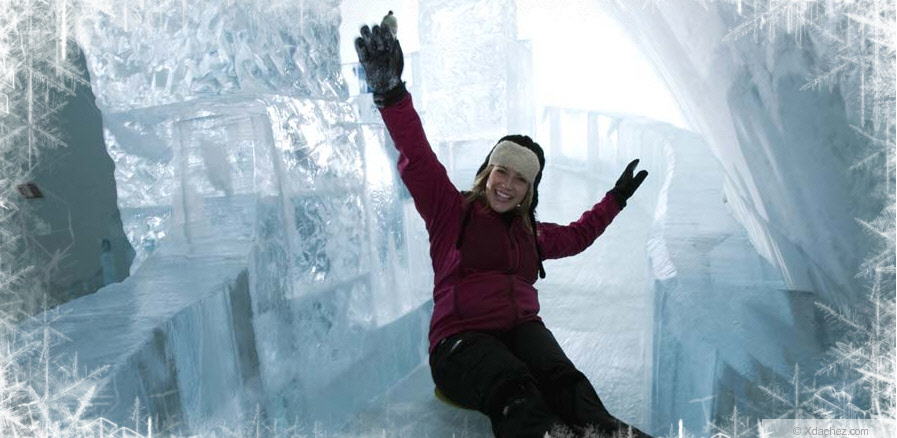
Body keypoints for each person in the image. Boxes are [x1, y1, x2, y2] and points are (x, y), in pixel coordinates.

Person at [355, 18, 651, 438]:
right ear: (487, 172)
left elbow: (579, 234)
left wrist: (616, 199)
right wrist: (390, 93)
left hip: (520, 331)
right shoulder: (451, 211)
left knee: (563, 378)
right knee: (518, 391)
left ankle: (606, 431)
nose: (507, 185)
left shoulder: (532, 234)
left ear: (530, 189)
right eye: (502, 172)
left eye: (520, 180)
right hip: (461, 341)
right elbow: (417, 154)